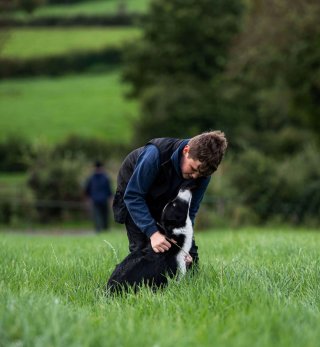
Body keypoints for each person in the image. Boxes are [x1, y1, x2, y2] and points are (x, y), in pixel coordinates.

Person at [112, 131, 227, 266]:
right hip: (135, 194)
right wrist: (153, 233)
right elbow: (133, 196)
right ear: (186, 150)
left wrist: (184, 243)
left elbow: (190, 211)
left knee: (190, 261)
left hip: (166, 199)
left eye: (201, 174)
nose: (195, 176)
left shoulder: (203, 173)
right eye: (193, 168)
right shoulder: (154, 155)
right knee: (143, 251)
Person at [85, 161, 113, 232]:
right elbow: (88, 189)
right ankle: (99, 230)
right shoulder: (101, 177)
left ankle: (104, 229)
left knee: (104, 215)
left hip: (102, 200)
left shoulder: (94, 178)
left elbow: (109, 190)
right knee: (98, 216)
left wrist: (110, 198)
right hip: (97, 200)